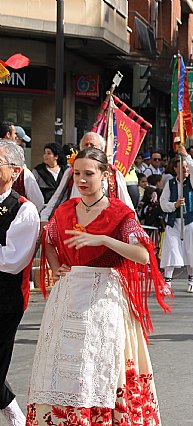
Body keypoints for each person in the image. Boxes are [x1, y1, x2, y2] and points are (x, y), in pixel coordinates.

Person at [27, 147, 169, 424]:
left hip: (105, 295)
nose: (81, 180)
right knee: (64, 362)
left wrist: (103, 240)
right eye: (77, 173)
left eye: (88, 174)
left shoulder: (119, 212)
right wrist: (58, 269)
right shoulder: (66, 210)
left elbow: (143, 254)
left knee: (101, 361)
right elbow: (49, 240)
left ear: (105, 175)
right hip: (68, 295)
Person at [0, 140, 39, 426]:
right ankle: (12, 410)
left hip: (5, 298)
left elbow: (13, 259)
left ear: (14, 171)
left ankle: (12, 411)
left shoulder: (24, 210)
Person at [40, 132, 134, 222]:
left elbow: (126, 205)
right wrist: (44, 218)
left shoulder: (114, 174)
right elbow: (57, 197)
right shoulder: (70, 172)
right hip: (74, 222)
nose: (82, 180)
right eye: (86, 145)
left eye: (89, 174)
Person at [160, 145, 193, 293]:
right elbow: (163, 203)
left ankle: (191, 280)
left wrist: (186, 156)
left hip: (190, 220)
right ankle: (167, 282)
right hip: (174, 221)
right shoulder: (171, 183)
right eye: (182, 167)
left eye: (186, 167)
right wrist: (174, 205)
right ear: (175, 169)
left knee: (191, 250)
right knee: (171, 249)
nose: (185, 170)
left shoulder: (192, 181)